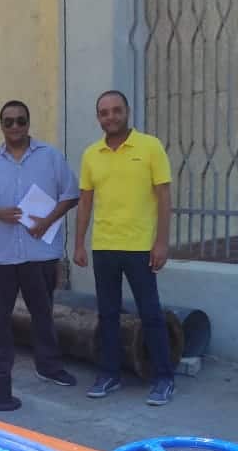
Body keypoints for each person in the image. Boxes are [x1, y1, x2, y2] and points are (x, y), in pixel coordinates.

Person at [73, 90, 175, 405]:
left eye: (116, 110)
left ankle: (164, 378)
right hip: (104, 246)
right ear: (98, 118)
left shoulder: (150, 147)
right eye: (104, 113)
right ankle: (109, 374)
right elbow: (85, 202)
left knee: (150, 313)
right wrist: (79, 244)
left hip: (140, 247)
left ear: (127, 112)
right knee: (107, 314)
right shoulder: (91, 154)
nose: (111, 117)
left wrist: (161, 242)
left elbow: (164, 197)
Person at [0, 100, 78, 389]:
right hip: (0, 254)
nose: (15, 126)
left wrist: (47, 221)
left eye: (20, 120)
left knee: (43, 314)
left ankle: (49, 366)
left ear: (28, 123)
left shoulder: (50, 157)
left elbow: (71, 194)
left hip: (39, 253)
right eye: (9, 121)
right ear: (1, 126)